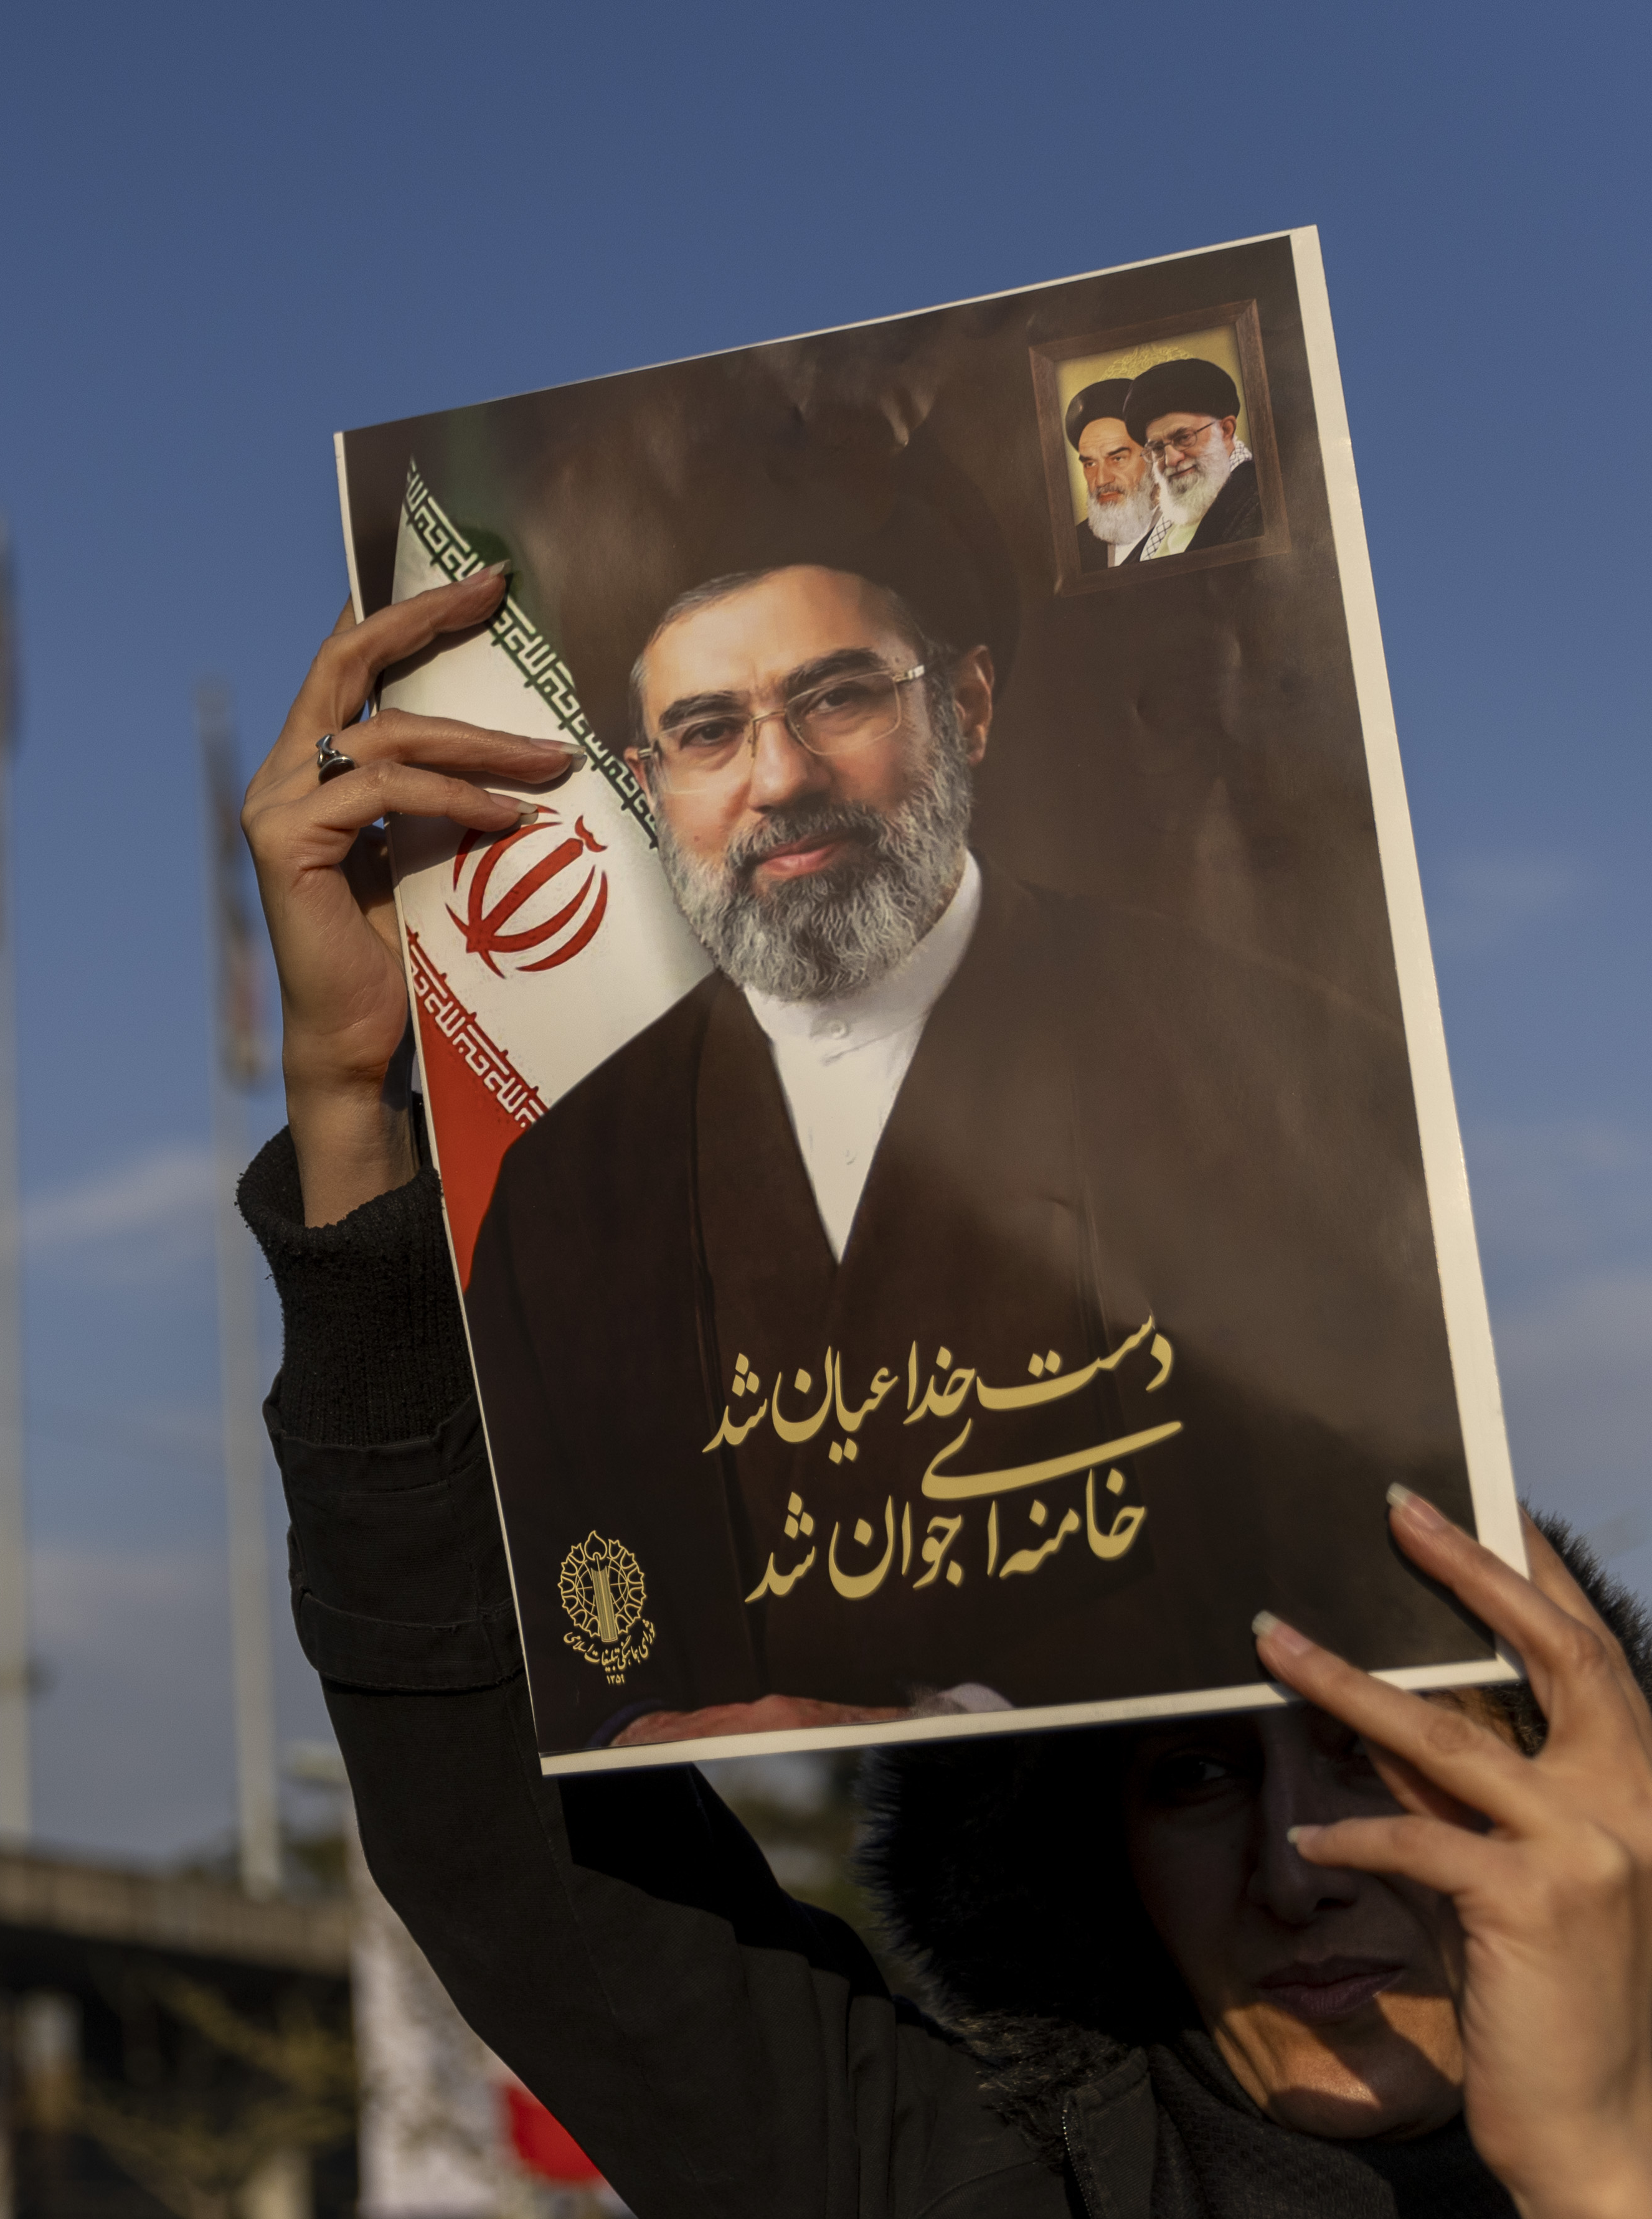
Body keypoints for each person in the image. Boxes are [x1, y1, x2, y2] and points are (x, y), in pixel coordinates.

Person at [239, 568, 1652, 2219]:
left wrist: (1603, 2172)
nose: (1300, 1862)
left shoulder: (1208, 1021)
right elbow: (503, 1856)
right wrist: (349, 1114)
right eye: (1192, 1771)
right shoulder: (976, 2210)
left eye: (1387, 1746)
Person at [443, 557, 1468, 1753]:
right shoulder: (566, 1182)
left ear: (967, 706)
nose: (778, 778)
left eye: (837, 700)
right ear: (650, 783)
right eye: (709, 732)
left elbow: (1358, 1512)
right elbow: (533, 1594)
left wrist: (968, 1720)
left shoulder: (1274, 1066)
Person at [1126, 355, 1265, 557]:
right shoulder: (1161, 529)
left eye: (1184, 438)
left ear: (1225, 431)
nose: (1171, 460)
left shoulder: (1260, 503)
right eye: (1157, 448)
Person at [1065, 376, 1159, 568]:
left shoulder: (1194, 527)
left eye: (1117, 459)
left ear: (1154, 456)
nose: (1101, 480)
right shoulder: (1074, 545)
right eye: (1090, 464)